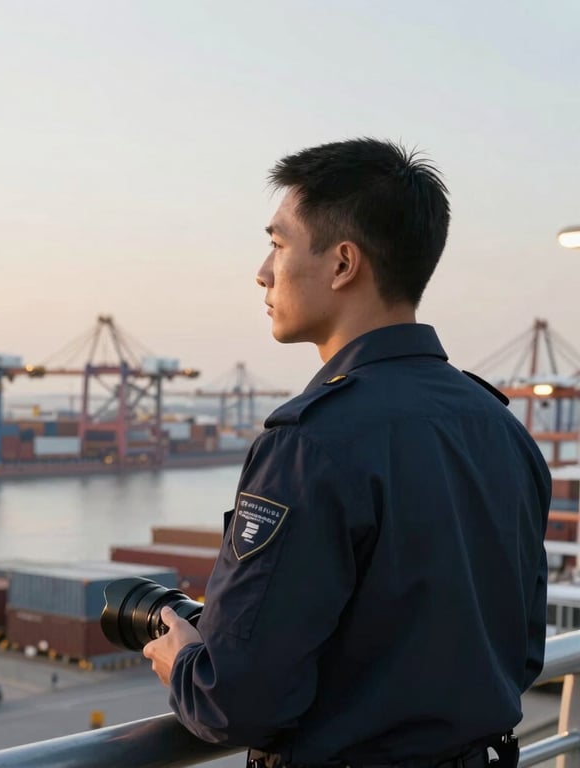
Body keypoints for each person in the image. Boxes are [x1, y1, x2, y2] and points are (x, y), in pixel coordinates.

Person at [142, 138, 551, 768]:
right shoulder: (500, 427)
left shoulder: (312, 442)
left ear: (342, 265)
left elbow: (237, 702)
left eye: (277, 244)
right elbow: (520, 655)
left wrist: (183, 665)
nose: (262, 270)